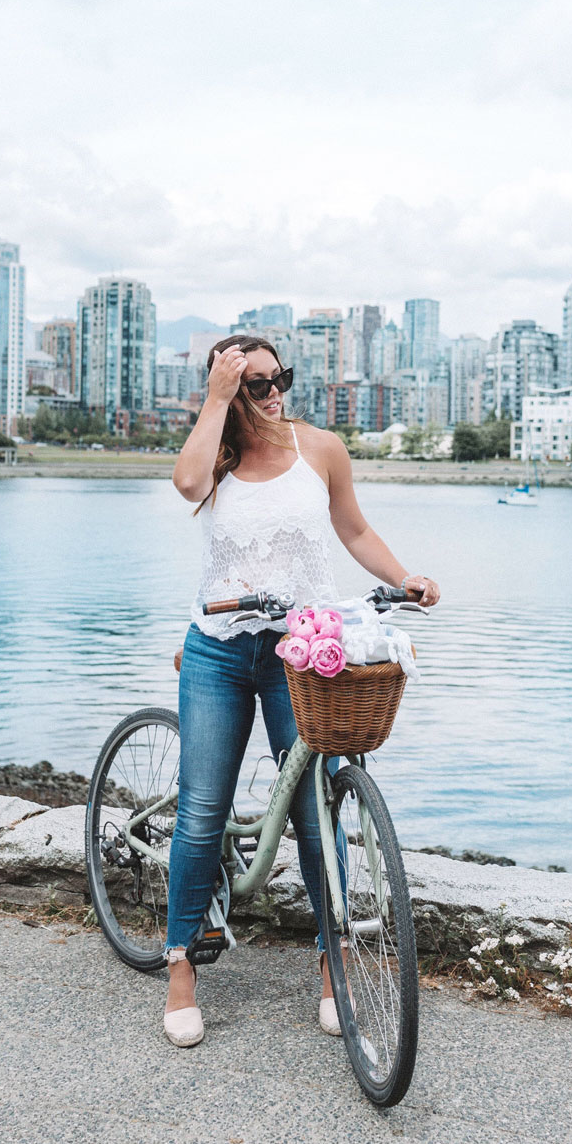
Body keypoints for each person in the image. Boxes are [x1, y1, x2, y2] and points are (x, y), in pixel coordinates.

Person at [163, 334, 440, 1048]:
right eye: (255, 383)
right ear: (228, 388)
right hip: (220, 649)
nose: (274, 391)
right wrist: (216, 399)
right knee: (201, 812)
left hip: (306, 653)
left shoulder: (321, 448)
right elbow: (187, 484)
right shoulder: (216, 456)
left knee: (317, 815)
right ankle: (181, 965)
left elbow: (353, 527)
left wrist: (405, 577)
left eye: (279, 377)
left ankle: (334, 962)